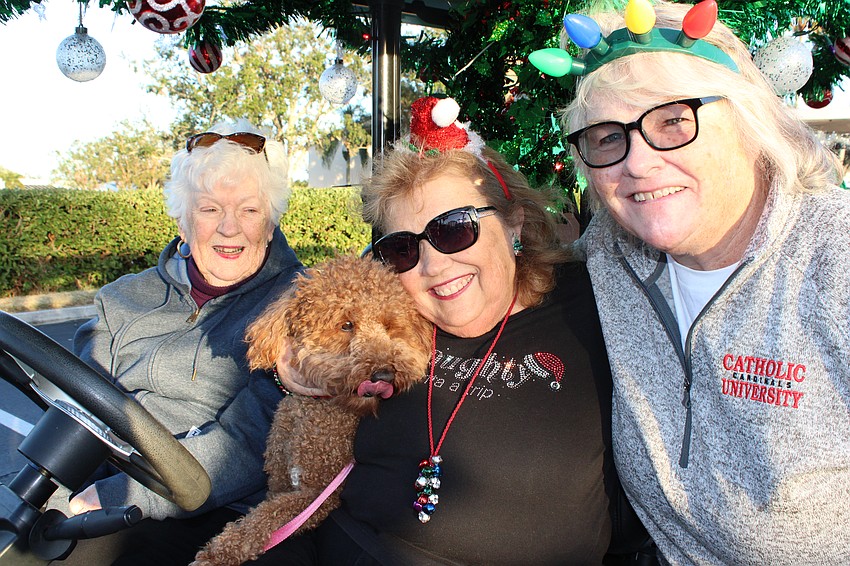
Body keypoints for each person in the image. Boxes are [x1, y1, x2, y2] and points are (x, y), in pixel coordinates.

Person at [261, 96, 651, 565]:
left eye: (453, 229)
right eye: (403, 248)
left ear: (513, 222)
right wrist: (289, 371)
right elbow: (301, 336)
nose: (432, 266)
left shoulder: (594, 300)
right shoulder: (392, 320)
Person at [538, 0, 850, 563]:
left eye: (674, 121)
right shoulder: (610, 251)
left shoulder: (835, 259)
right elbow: (498, 294)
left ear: (749, 123)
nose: (637, 164)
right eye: (607, 137)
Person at [52, 119, 304, 564]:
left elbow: (248, 443)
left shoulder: (299, 305)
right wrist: (52, 492)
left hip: (224, 509)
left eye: (249, 210)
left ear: (270, 224)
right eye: (209, 209)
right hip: (109, 483)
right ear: (183, 222)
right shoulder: (121, 299)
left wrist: (122, 494)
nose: (229, 228)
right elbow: (78, 408)